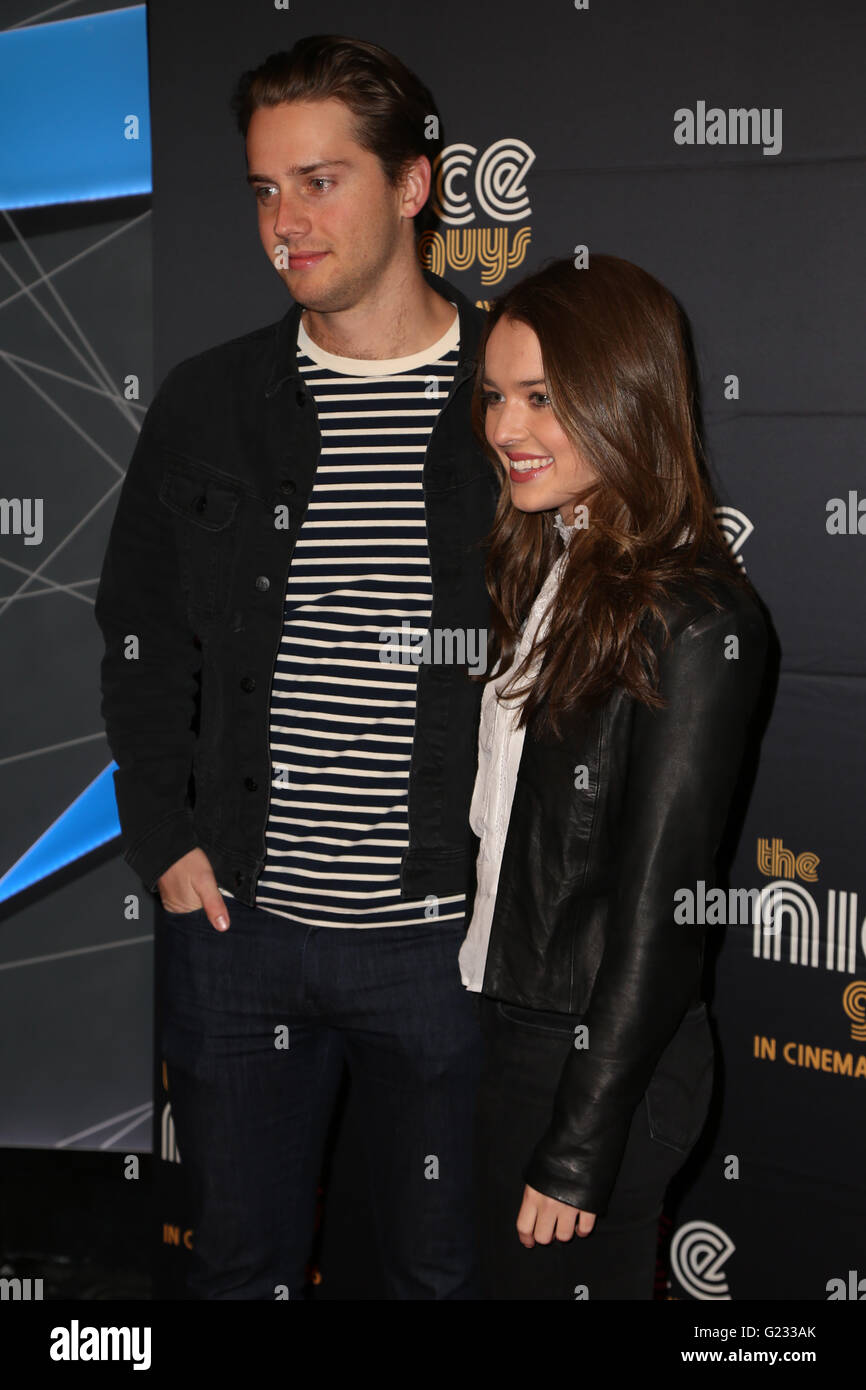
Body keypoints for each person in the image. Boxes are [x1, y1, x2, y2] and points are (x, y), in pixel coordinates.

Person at [94, 35, 498, 1299]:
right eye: (265, 189)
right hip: (240, 928)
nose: (285, 221)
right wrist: (164, 836)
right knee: (238, 1269)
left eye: (320, 181)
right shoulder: (210, 401)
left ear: (415, 186)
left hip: (445, 942)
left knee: (440, 1273)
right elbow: (139, 632)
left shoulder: (520, 398)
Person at [458, 254, 769, 1299]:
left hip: (594, 1063)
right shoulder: (549, 565)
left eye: (542, 398)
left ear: (624, 395)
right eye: (496, 395)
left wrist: (580, 1141)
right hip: (509, 1025)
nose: (505, 428)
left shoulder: (696, 618)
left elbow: (662, 911)